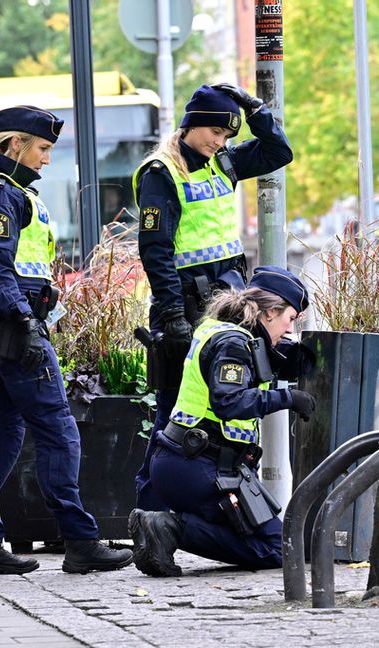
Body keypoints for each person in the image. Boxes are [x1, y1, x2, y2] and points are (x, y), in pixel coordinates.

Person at [0, 105, 133, 575]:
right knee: (58, 428)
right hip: (13, 323)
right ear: (15, 144)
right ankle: (80, 541)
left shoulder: (11, 191)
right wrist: (25, 322)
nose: (47, 158)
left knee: (1, 432)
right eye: (42, 148)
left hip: (10, 321)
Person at [132, 83, 294, 511]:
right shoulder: (161, 173)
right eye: (215, 132)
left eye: (226, 136)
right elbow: (155, 250)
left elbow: (278, 152)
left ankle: (212, 509)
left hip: (227, 305)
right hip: (185, 307)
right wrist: (172, 314)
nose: (220, 142)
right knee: (173, 412)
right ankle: (149, 511)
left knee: (224, 404)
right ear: (192, 125)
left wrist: (255, 110)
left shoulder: (223, 162)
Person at [127, 266, 317, 576]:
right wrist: (288, 399)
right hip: (201, 469)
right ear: (270, 312)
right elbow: (229, 401)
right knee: (280, 549)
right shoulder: (233, 343)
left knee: (264, 537)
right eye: (291, 318)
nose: (289, 328)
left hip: (188, 462)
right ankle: (170, 528)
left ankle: (170, 528)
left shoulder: (224, 331)